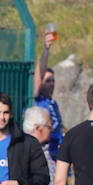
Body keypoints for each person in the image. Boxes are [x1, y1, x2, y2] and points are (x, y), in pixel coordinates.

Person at [33, 30, 63, 160]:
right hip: (44, 151)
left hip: (57, 151)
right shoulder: (37, 99)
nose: (51, 84)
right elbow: (38, 75)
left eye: (52, 80)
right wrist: (46, 49)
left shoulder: (53, 103)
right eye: (47, 81)